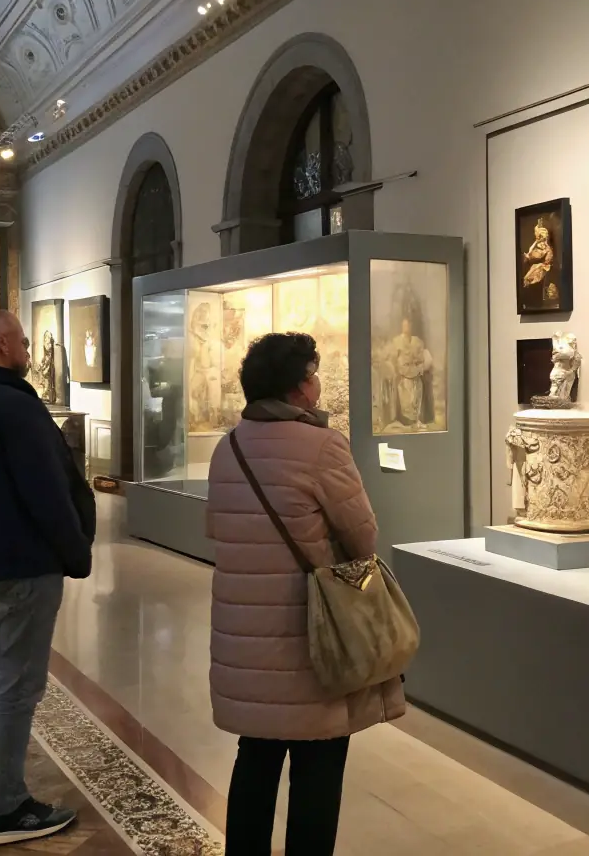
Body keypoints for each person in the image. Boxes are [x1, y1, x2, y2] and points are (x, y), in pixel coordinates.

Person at [205, 332, 404, 856]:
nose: (318, 383)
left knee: (257, 755)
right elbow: (363, 537)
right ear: (298, 389)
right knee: (318, 761)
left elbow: (219, 531)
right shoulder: (322, 446)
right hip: (310, 631)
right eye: (313, 374)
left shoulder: (228, 447)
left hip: (244, 634)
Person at [0, 309, 96, 846]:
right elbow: (46, 490)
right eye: (24, 343)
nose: (30, 351)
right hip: (27, 559)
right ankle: (7, 808)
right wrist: (75, 550)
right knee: (19, 686)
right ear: (3, 344)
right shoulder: (10, 404)